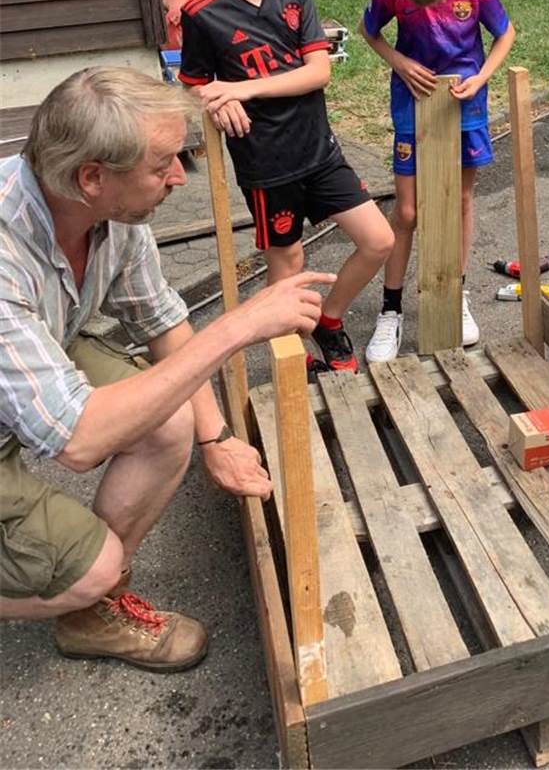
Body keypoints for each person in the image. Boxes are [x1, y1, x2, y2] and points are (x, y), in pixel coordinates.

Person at [0, 67, 331, 670]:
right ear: (91, 177)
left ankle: (87, 608)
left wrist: (217, 437)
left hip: (32, 351)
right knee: (92, 567)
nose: (179, 177)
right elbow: (80, 439)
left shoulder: (110, 216)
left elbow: (160, 323)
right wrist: (239, 326)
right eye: (162, 165)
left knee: (172, 421)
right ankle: (86, 583)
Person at [179, 0, 394, 376]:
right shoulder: (202, 13)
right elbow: (194, 83)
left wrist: (242, 89)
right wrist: (213, 103)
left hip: (321, 153)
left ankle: (330, 319)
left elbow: (318, 72)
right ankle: (293, 370)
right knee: (288, 268)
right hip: (267, 168)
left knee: (378, 240)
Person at [359, 0, 516, 362]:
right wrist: (401, 62)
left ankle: (454, 293)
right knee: (407, 211)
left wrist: (481, 78)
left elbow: (505, 34)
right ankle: (391, 309)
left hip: (463, 102)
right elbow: (369, 31)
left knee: (459, 199)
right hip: (414, 101)